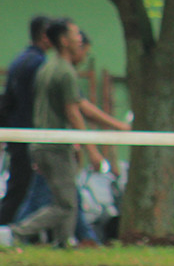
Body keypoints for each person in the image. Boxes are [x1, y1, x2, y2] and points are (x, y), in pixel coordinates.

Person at [0, 18, 129, 248]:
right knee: (66, 204)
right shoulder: (64, 72)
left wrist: (114, 126)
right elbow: (75, 112)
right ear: (63, 40)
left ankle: (63, 243)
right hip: (55, 146)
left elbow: (79, 105)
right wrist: (93, 149)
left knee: (62, 198)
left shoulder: (48, 67)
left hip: (41, 144)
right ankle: (15, 233)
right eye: (75, 34)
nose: (80, 39)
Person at [0, 16, 51, 225]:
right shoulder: (38, 64)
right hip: (28, 134)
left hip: (16, 131)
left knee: (20, 186)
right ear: (44, 35)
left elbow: (7, 100)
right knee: (22, 188)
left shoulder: (19, 60)